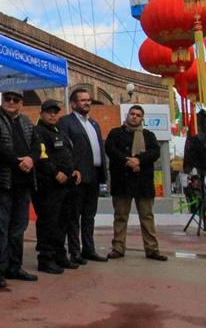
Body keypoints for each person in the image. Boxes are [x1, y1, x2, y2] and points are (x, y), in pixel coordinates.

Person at [0, 89, 38, 288]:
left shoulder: (26, 121)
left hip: (24, 183)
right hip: (2, 182)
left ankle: (14, 266)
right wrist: (19, 162)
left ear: (21, 103)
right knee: (1, 226)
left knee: (18, 227)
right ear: (2, 99)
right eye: (8, 98)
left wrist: (31, 159)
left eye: (16, 99)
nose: (12, 102)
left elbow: (36, 143)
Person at [104, 105, 166, 261]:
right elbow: (111, 150)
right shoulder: (115, 133)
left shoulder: (148, 135)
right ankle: (118, 248)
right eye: (132, 114)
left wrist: (139, 160)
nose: (134, 117)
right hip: (122, 182)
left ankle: (152, 249)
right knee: (120, 217)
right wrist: (127, 161)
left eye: (138, 115)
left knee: (147, 217)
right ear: (127, 115)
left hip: (143, 182)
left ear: (142, 118)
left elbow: (154, 152)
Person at [57, 88, 107, 264]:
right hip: (77, 177)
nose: (87, 103)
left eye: (88, 100)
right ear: (73, 104)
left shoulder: (94, 124)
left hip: (93, 176)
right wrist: (71, 169)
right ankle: (75, 252)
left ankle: (89, 249)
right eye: (83, 100)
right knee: (73, 216)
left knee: (89, 216)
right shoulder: (66, 122)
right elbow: (64, 149)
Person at [31, 100, 81, 274]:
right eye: (48, 112)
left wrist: (74, 169)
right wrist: (54, 173)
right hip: (48, 186)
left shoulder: (59, 132)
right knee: (48, 223)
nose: (52, 115)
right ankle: (45, 258)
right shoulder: (37, 132)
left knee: (63, 222)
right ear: (41, 113)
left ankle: (60, 255)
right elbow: (41, 156)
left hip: (65, 186)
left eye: (55, 112)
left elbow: (68, 153)